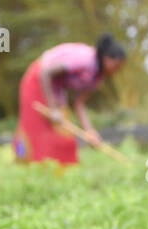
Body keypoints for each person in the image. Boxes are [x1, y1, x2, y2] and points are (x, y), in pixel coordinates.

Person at [14, 34, 127, 165]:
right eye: (116, 66)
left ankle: (56, 175)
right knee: (35, 133)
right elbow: (46, 73)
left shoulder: (98, 78)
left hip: (55, 90)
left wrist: (89, 131)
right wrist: (53, 109)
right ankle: (23, 164)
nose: (116, 71)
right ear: (107, 58)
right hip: (37, 82)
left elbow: (79, 104)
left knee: (66, 139)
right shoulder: (85, 59)